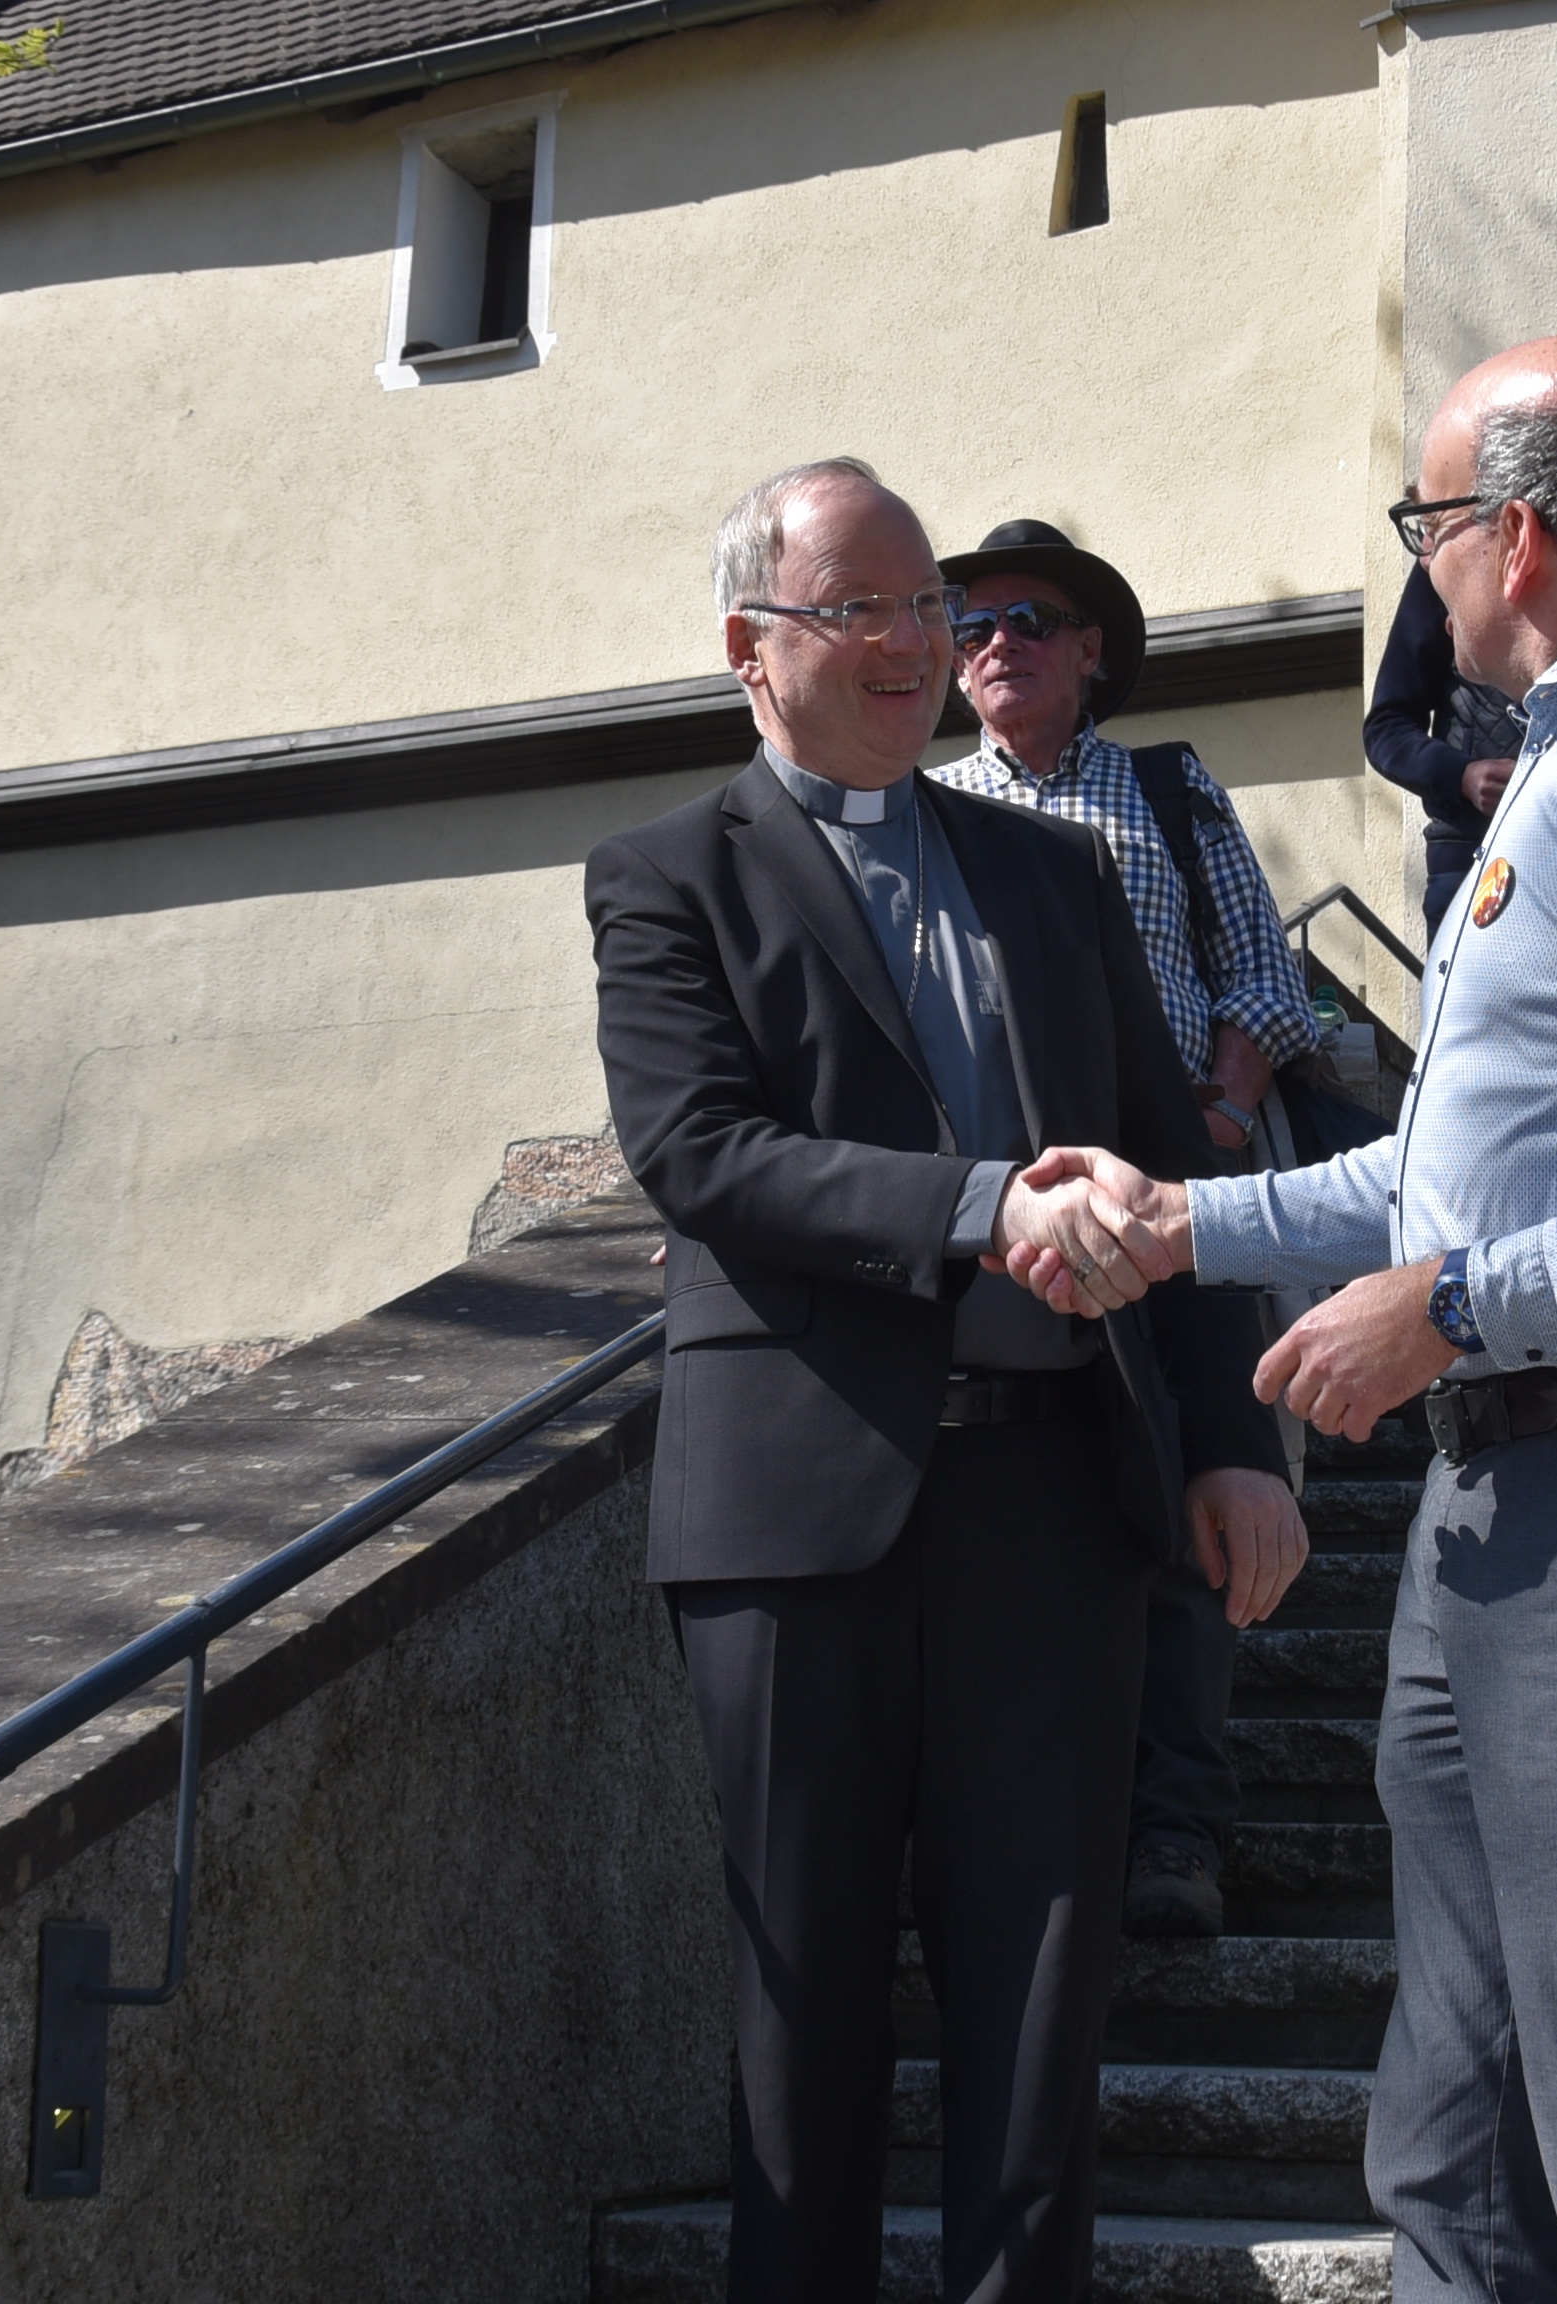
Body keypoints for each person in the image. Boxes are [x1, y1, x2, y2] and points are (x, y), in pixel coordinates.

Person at [997, 337, 1557, 2303]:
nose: (1426, 566)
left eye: (1429, 523)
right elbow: (1443, 1177)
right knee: (1458, 2138)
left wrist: (1461, 1304)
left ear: (1521, 535)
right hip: (1532, 1496)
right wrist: (1185, 1221)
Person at [582, 458, 1309, 2304]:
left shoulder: (1057, 870)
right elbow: (701, 1151)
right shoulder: (666, 873)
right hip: (793, 1517)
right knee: (804, 2002)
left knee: (1044, 2004)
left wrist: (1234, 1444)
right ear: (751, 645)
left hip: (1054, 1498)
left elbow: (1175, 1177)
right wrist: (985, 1206)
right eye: (866, 610)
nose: (917, 643)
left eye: (930, 607)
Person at [931, 516, 1325, 1942]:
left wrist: (1211, 1127)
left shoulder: (1164, 786)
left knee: (1193, 1497)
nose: (997, 644)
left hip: (1170, 1195)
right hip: (1013, 1213)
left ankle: (1175, 1831)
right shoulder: (926, 813)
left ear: (1090, 651)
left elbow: (1264, 977)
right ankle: (1044, 1832)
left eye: (1029, 619)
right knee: (1031, 1517)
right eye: (971, 625)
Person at [1364, 560, 1529, 935]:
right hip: (1469, 852)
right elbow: (1386, 727)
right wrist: (1462, 776)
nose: (1425, 545)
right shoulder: (1441, 562)